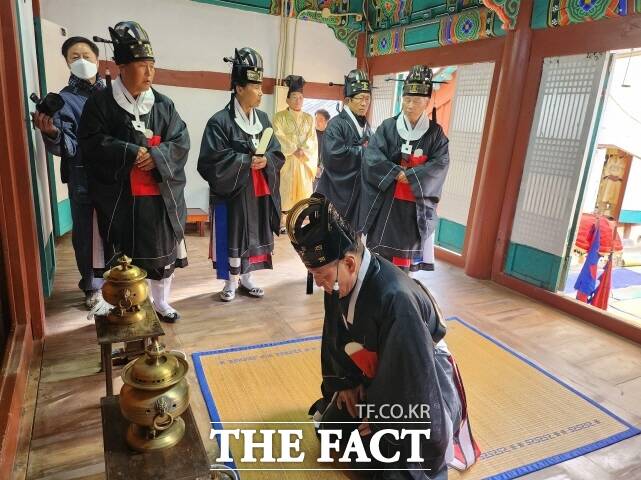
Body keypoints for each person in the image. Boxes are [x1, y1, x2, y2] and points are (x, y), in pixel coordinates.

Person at [286, 195, 479, 479]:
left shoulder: (396, 299)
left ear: (350, 263)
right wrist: (347, 383)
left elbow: (411, 374)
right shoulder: (337, 280)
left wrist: (382, 417)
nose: (318, 282)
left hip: (423, 383)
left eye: (321, 275)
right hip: (377, 373)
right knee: (332, 431)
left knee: (378, 465)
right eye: (313, 274)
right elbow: (337, 338)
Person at [78, 21, 190, 323]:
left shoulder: (164, 104)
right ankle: (126, 304)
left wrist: (157, 156)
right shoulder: (100, 103)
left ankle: (161, 302)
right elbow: (90, 142)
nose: (149, 72)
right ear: (122, 67)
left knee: (162, 253)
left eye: (152, 66)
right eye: (142, 66)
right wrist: (129, 151)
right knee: (124, 254)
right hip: (121, 198)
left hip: (158, 195)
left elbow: (181, 140)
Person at [197, 47, 284, 302]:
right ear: (238, 88)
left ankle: (247, 278)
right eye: (255, 86)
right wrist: (246, 161)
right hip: (233, 191)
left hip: (258, 190)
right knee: (232, 233)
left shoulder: (263, 119)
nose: (260, 92)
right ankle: (229, 282)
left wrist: (266, 160)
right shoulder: (220, 121)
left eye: (260, 86)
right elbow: (210, 161)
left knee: (254, 233)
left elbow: (277, 152)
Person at [32, 36, 105, 309]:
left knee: (115, 230)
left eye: (87, 55)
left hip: (115, 178)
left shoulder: (112, 95)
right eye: (75, 57)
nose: (82, 61)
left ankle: (116, 280)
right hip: (83, 177)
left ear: (98, 59)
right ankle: (92, 286)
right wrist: (52, 133)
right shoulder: (63, 100)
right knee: (86, 235)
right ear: (67, 62)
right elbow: (68, 146)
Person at [359, 66, 449, 275]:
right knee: (380, 256)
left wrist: (413, 175)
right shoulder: (388, 127)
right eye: (406, 99)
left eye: (416, 101)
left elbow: (441, 163)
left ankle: (403, 285)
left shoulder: (435, 134)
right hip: (387, 201)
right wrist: (394, 172)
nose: (409, 105)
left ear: (427, 101)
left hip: (414, 205)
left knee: (404, 260)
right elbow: (372, 156)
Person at [315, 69, 372, 229]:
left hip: (357, 193)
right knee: (334, 237)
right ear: (348, 100)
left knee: (353, 238)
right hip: (335, 193)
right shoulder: (336, 124)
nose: (364, 103)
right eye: (360, 98)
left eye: (367, 98)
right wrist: (364, 152)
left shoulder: (366, 126)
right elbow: (333, 155)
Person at [273, 75, 317, 231]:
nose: (298, 100)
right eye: (294, 97)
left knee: (302, 194)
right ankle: (283, 222)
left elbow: (312, 139)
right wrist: (294, 149)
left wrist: (303, 151)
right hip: (287, 161)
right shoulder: (279, 117)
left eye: (300, 97)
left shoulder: (309, 118)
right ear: (287, 100)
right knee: (285, 191)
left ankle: (298, 223)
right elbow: (278, 136)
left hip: (303, 162)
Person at [313, 108, 330, 188]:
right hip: (311, 169)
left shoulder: (331, 135)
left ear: (326, 121)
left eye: (320, 119)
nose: (317, 121)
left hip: (325, 171)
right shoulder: (310, 134)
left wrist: (320, 167)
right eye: (316, 119)